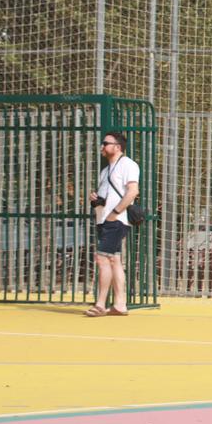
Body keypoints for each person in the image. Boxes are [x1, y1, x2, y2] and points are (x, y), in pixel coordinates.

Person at [88, 131, 140, 317]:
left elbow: (132, 191)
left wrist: (115, 213)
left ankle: (101, 304)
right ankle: (120, 304)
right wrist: (95, 199)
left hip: (116, 220)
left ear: (117, 147)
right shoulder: (105, 170)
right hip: (105, 219)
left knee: (102, 259)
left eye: (106, 143)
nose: (102, 146)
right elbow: (107, 196)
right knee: (114, 260)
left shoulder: (128, 165)